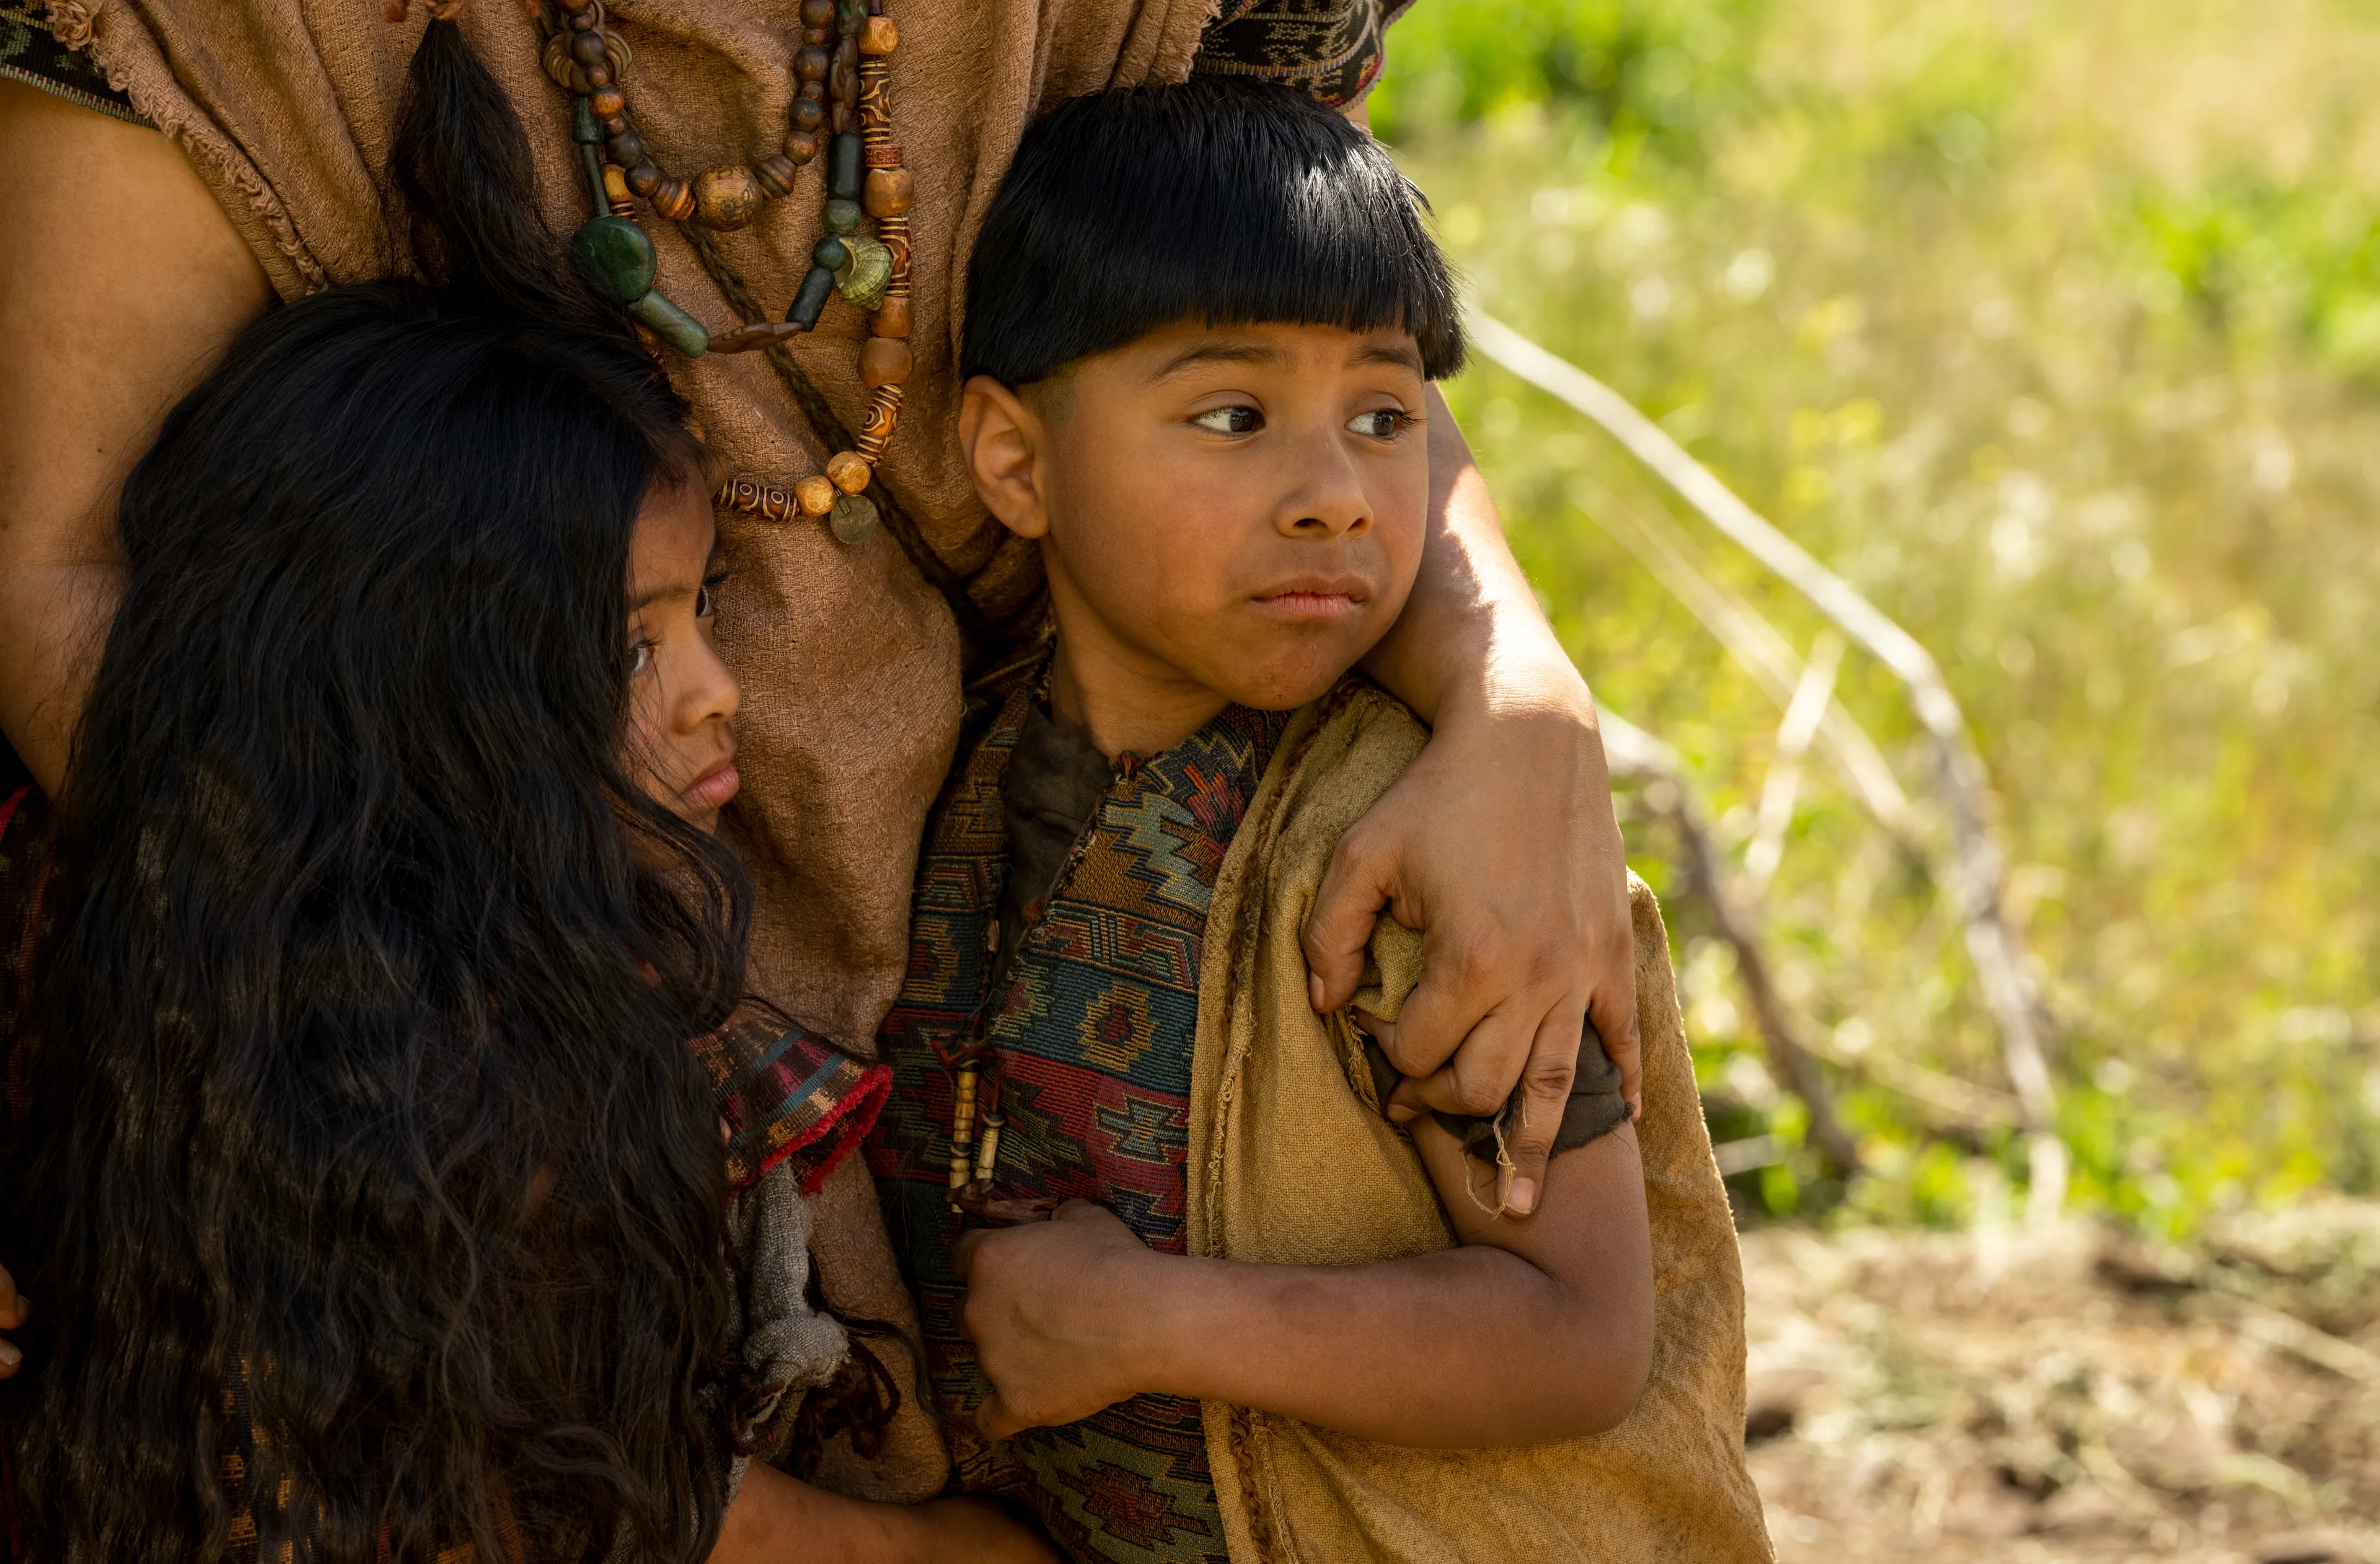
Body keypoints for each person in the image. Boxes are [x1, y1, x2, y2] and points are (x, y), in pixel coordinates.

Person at [0, 8, 1642, 1394]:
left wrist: (1522, 711)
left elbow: (1314, 339)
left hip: (1103, 911)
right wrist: (471, 1026)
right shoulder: (208, 26)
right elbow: (63, 586)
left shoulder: (1325, 843)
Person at [0, 38, 1074, 1564]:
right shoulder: (494, 1086)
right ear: (424, 693)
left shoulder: (213, 973)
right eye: (633, 643)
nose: (721, 691)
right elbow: (641, 1520)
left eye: (702, 609)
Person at [866, 81, 1778, 1564]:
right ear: (1014, 464)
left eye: (1384, 416)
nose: (1336, 500)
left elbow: (1579, 1329)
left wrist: (1148, 1321)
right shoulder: (949, 779)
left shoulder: (1413, 857)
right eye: (1234, 417)